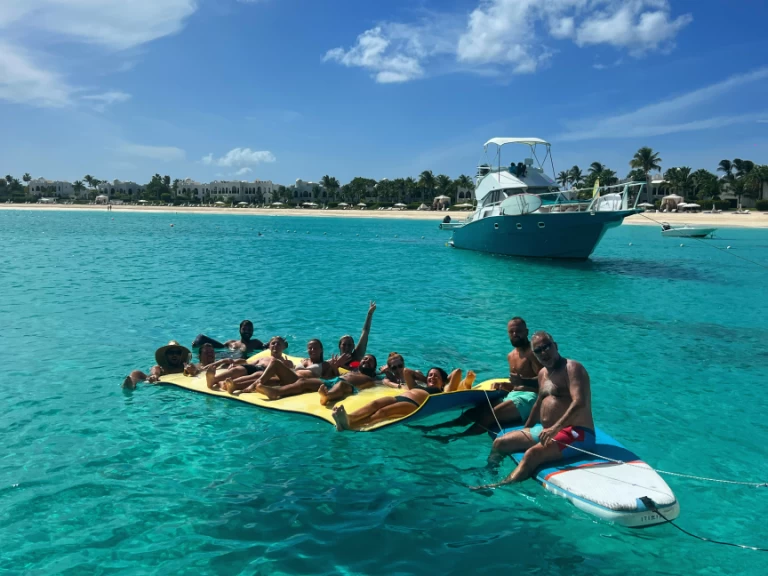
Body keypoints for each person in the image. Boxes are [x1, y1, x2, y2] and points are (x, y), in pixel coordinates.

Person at [471, 331, 595, 490]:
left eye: (546, 347)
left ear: (555, 346)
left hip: (577, 433)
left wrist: (554, 428)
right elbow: (539, 403)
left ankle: (498, 486)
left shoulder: (572, 368)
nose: (544, 352)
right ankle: (489, 473)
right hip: (546, 430)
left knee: (532, 455)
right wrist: (526, 429)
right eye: (538, 350)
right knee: (501, 442)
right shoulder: (543, 373)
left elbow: (579, 402)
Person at [416, 317, 541, 440]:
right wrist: (505, 385)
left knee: (489, 416)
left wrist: (522, 383)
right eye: (511, 332)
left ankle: (453, 437)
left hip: (530, 398)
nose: (515, 334)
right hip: (515, 395)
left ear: (526, 332)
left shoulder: (533, 353)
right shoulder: (511, 355)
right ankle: (434, 427)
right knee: (473, 413)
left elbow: (544, 382)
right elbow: (517, 384)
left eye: (518, 331)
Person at [331, 367, 464, 431]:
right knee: (374, 404)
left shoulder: (443, 391)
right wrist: (426, 380)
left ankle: (352, 425)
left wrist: (444, 382)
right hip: (400, 397)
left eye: (436, 376)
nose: (432, 377)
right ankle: (349, 418)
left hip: (413, 404)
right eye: (430, 375)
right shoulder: (417, 386)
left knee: (382, 413)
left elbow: (457, 372)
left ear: (443, 380)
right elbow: (407, 371)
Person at [231, 339, 345, 396]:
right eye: (310, 348)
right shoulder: (303, 361)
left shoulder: (324, 364)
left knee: (275, 363)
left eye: (315, 348)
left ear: (321, 350)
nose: (312, 350)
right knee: (261, 375)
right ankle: (234, 385)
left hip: (298, 380)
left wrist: (334, 368)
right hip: (290, 377)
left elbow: (328, 379)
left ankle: (253, 386)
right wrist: (288, 367)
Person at [205, 336, 293, 391]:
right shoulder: (263, 357)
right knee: (237, 369)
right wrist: (236, 363)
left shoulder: (285, 361)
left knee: (257, 374)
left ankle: (230, 384)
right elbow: (249, 363)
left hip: (263, 372)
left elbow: (289, 373)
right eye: (273, 343)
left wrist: (287, 366)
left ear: (283, 347)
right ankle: (213, 380)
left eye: (278, 344)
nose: (275, 346)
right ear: (269, 346)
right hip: (254, 367)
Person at [122, 340, 191, 388]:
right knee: (136, 373)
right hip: (157, 383)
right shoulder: (161, 368)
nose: (174, 355)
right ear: (166, 355)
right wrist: (155, 375)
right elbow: (155, 369)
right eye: (171, 353)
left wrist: (192, 370)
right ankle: (131, 385)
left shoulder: (184, 367)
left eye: (177, 353)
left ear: (181, 355)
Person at [337, 301, 376, 370]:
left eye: (349, 345)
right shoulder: (335, 361)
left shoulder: (357, 357)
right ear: (339, 346)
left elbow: (365, 332)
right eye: (344, 345)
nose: (346, 347)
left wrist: (369, 314)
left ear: (353, 347)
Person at [192, 320, 266, 354]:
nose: (247, 331)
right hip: (228, 357)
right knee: (200, 338)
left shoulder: (256, 342)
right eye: (244, 329)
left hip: (242, 360)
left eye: (249, 330)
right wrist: (196, 346)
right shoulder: (231, 343)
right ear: (239, 330)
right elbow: (218, 348)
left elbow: (266, 348)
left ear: (252, 331)